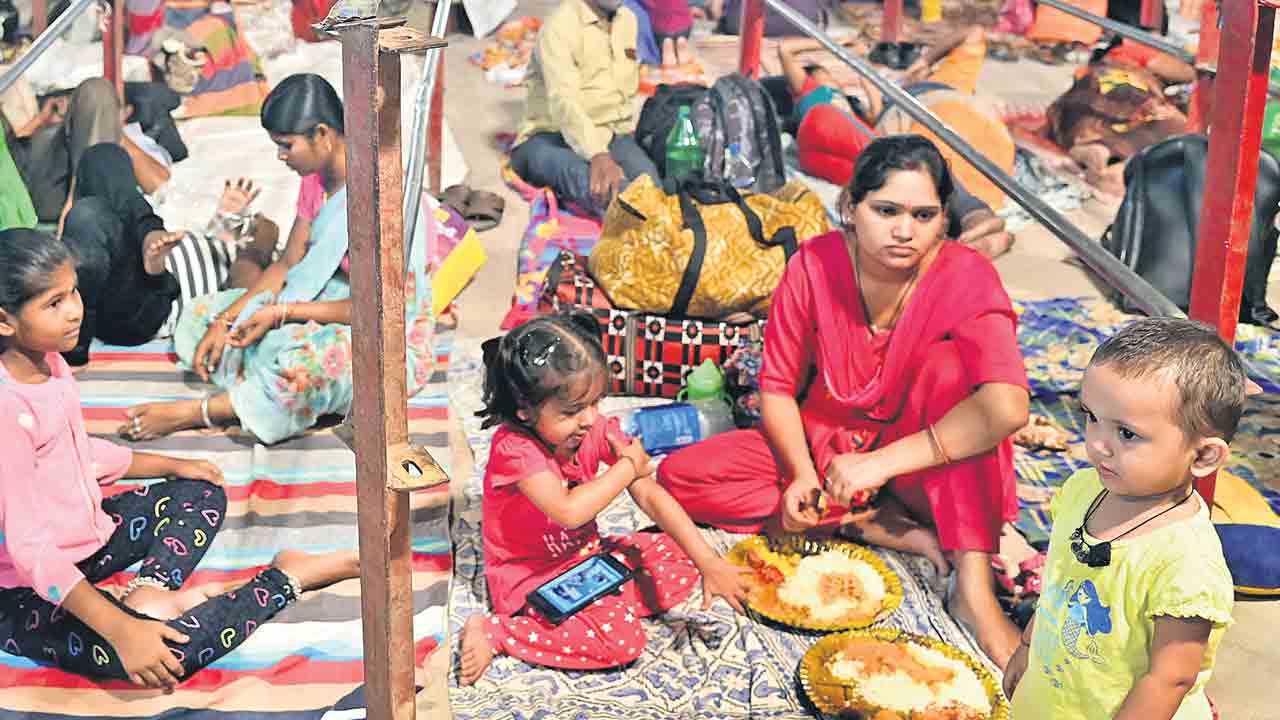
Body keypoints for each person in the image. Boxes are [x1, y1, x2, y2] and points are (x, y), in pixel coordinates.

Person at [657, 135, 1030, 668]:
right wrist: (803, 475)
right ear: (849, 206)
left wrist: (877, 464)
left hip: (922, 461)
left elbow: (1006, 409)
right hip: (824, 448)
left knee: (954, 375)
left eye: (924, 215)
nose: (904, 231)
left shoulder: (966, 276)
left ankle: (972, 588)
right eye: (886, 211)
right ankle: (862, 522)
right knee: (683, 478)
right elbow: (778, 388)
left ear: (944, 218)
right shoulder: (814, 263)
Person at [0, 228, 359, 690]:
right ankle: (287, 577)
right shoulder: (8, 411)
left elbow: (78, 453)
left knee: (201, 491)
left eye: (73, 292)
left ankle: (151, 594)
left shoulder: (50, 361)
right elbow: (31, 551)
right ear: (5, 321)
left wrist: (172, 466)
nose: (75, 310)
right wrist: (122, 631)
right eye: (54, 303)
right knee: (164, 656)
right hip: (27, 587)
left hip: (90, 539)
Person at [120, 73, 436, 445]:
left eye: (287, 146)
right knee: (198, 317)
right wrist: (227, 319)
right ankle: (264, 395)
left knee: (310, 368)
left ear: (322, 134)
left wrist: (282, 314)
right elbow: (289, 264)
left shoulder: (381, 197)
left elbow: (379, 309)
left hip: (382, 330)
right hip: (317, 297)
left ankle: (203, 412)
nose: (281, 157)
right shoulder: (316, 180)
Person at [457, 312, 751, 685]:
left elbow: (649, 494)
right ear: (524, 410)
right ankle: (497, 632)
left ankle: (599, 602)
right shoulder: (514, 449)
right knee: (622, 642)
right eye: (572, 411)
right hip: (532, 579)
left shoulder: (591, 430)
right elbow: (569, 511)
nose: (590, 419)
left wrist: (709, 561)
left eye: (596, 402)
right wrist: (628, 467)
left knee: (677, 553)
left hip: (586, 558)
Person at [1004, 317, 1240, 720]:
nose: (1096, 444)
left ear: (1202, 457)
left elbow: (1169, 678)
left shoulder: (1184, 562)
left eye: (1126, 434)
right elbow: (1060, 580)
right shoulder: (1082, 491)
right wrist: (1028, 646)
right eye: (1090, 416)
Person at [778, 27, 1017, 258]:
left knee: (895, 161)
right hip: (829, 127)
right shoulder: (809, 91)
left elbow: (973, 32)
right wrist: (838, 47)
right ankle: (970, 216)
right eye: (824, 77)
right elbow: (784, 50)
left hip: (885, 134)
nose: (833, 82)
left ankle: (970, 219)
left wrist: (921, 62)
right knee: (893, 154)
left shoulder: (940, 80)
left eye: (832, 78)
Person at [509, 0, 660, 215]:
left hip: (610, 133)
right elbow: (564, 102)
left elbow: (623, 96)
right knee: (602, 190)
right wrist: (598, 154)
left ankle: (655, 231)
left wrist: (621, 146)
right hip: (549, 136)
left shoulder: (628, 19)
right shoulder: (560, 26)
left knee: (652, 188)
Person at [0, 77, 171, 227]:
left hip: (65, 194)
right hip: (29, 170)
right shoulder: (51, 131)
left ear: (126, 111)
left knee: (97, 91)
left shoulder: (138, 139)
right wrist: (41, 120)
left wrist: (106, 124)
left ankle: (79, 205)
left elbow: (160, 186)